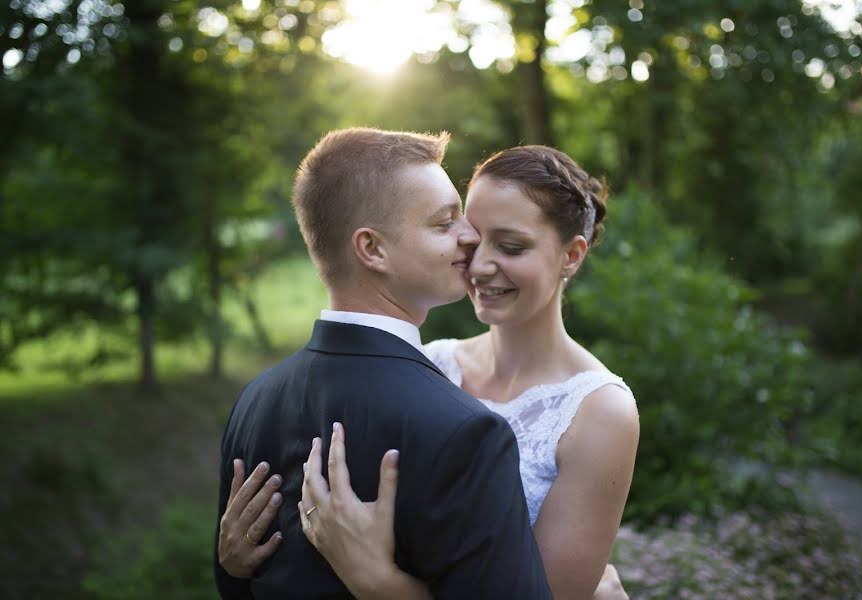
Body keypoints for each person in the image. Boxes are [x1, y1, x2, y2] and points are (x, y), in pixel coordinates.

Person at [220, 145, 639, 599]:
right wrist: (237, 563)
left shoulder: (600, 411)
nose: (477, 263)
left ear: (572, 256)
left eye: (511, 246)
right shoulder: (431, 363)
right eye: (471, 237)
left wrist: (375, 579)